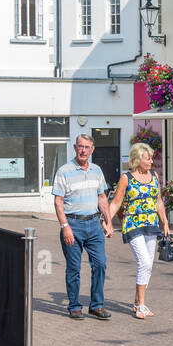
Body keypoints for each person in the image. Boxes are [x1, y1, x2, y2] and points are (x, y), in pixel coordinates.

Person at [53, 134, 113, 320]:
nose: (83, 150)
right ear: (75, 147)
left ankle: (96, 305)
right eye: (80, 146)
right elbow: (58, 201)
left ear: (92, 149)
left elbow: (102, 198)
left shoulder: (96, 170)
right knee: (74, 268)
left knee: (100, 264)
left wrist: (108, 222)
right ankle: (74, 306)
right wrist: (65, 226)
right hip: (73, 224)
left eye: (87, 147)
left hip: (94, 225)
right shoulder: (64, 171)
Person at [109, 142, 168, 319]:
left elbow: (158, 201)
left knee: (149, 264)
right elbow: (116, 202)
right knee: (144, 262)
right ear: (137, 159)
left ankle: (137, 302)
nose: (151, 161)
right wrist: (107, 222)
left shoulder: (154, 176)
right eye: (147, 158)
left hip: (151, 224)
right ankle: (141, 305)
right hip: (133, 224)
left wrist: (165, 222)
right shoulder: (126, 178)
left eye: (151, 158)